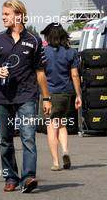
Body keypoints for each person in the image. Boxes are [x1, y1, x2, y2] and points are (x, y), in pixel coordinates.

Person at [0, 0, 52, 193]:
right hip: (2, 97)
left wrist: (46, 98)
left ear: (19, 15)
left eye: (7, 14)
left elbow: (40, 72)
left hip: (27, 96)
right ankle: (11, 177)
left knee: (28, 137)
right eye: (2, 14)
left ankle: (28, 177)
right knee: (5, 140)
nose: (3, 17)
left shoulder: (34, 40)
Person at [40, 23, 82, 171]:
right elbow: (75, 75)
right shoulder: (71, 52)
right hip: (66, 93)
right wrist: (78, 95)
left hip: (49, 94)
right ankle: (65, 151)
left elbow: (40, 75)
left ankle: (56, 162)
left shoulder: (43, 52)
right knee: (62, 123)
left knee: (52, 127)